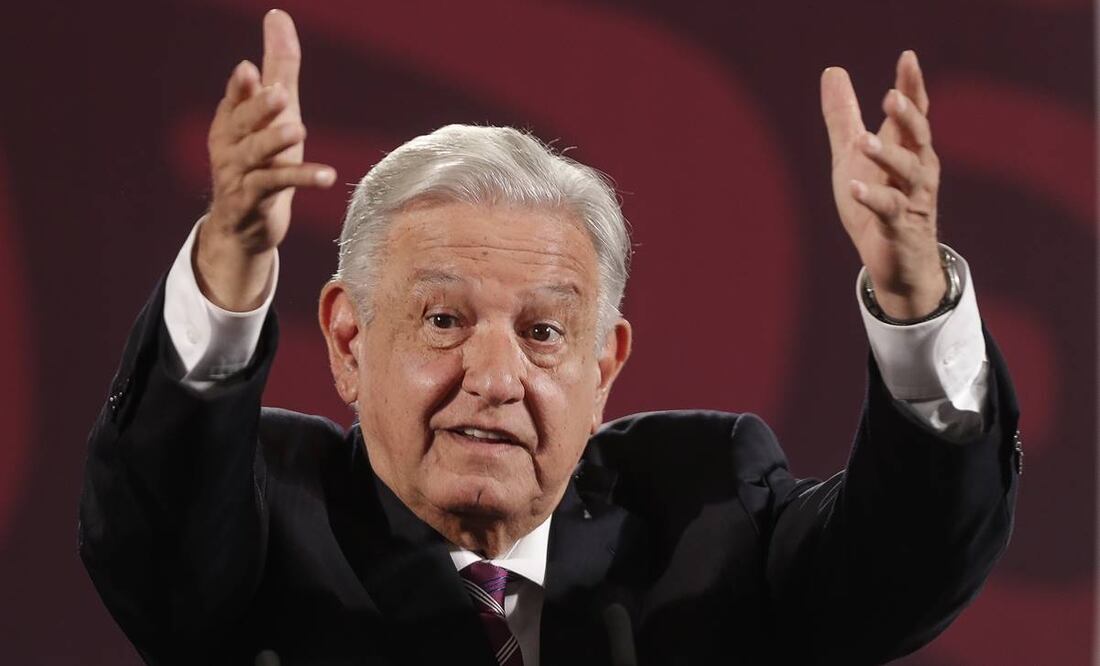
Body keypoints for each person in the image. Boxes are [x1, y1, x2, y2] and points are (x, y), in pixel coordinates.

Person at [79, 9, 1021, 666]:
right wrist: (232, 263)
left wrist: (913, 301)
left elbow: (905, 565)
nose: (493, 375)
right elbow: (160, 533)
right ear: (347, 339)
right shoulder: (268, 517)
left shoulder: (706, 513)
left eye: (541, 332)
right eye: (444, 320)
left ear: (605, 363)